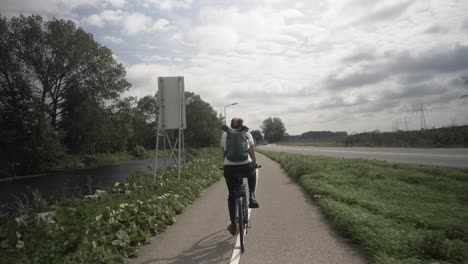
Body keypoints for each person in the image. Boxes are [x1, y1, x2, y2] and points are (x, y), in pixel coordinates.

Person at [220, 117, 259, 236]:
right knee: (252, 172)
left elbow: (222, 150)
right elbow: (252, 151)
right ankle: (252, 196)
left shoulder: (225, 135)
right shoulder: (247, 134)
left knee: (231, 195)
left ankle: (233, 224)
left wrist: (224, 163)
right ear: (242, 125)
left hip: (229, 168)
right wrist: (254, 163)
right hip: (245, 166)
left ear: (231, 125)